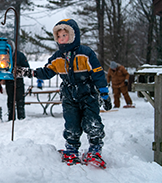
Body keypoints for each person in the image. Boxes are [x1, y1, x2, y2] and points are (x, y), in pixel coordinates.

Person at [33, 19, 112, 168]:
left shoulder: (85, 53)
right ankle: (72, 149)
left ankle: (94, 150)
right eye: (59, 36)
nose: (62, 39)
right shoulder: (57, 57)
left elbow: (98, 74)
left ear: (73, 35)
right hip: (69, 95)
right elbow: (47, 72)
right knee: (71, 124)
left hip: (87, 94)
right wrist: (30, 73)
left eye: (65, 35)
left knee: (92, 122)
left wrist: (104, 94)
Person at [0, 40, 30, 121]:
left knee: (20, 101)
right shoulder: (4, 56)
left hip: (18, 81)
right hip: (9, 81)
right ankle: (11, 118)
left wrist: (18, 70)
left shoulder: (20, 55)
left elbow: (27, 68)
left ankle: (21, 118)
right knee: (10, 101)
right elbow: (1, 68)